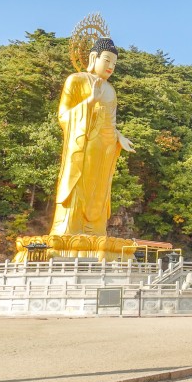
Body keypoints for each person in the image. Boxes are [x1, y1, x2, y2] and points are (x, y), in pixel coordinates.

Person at [50, 38, 135, 236]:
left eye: (114, 63)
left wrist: (119, 137)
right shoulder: (76, 80)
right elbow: (63, 116)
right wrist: (90, 101)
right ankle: (68, 231)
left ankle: (95, 232)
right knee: (78, 186)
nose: (110, 67)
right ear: (93, 58)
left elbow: (109, 123)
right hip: (82, 147)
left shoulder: (111, 91)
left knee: (99, 189)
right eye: (106, 60)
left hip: (104, 149)